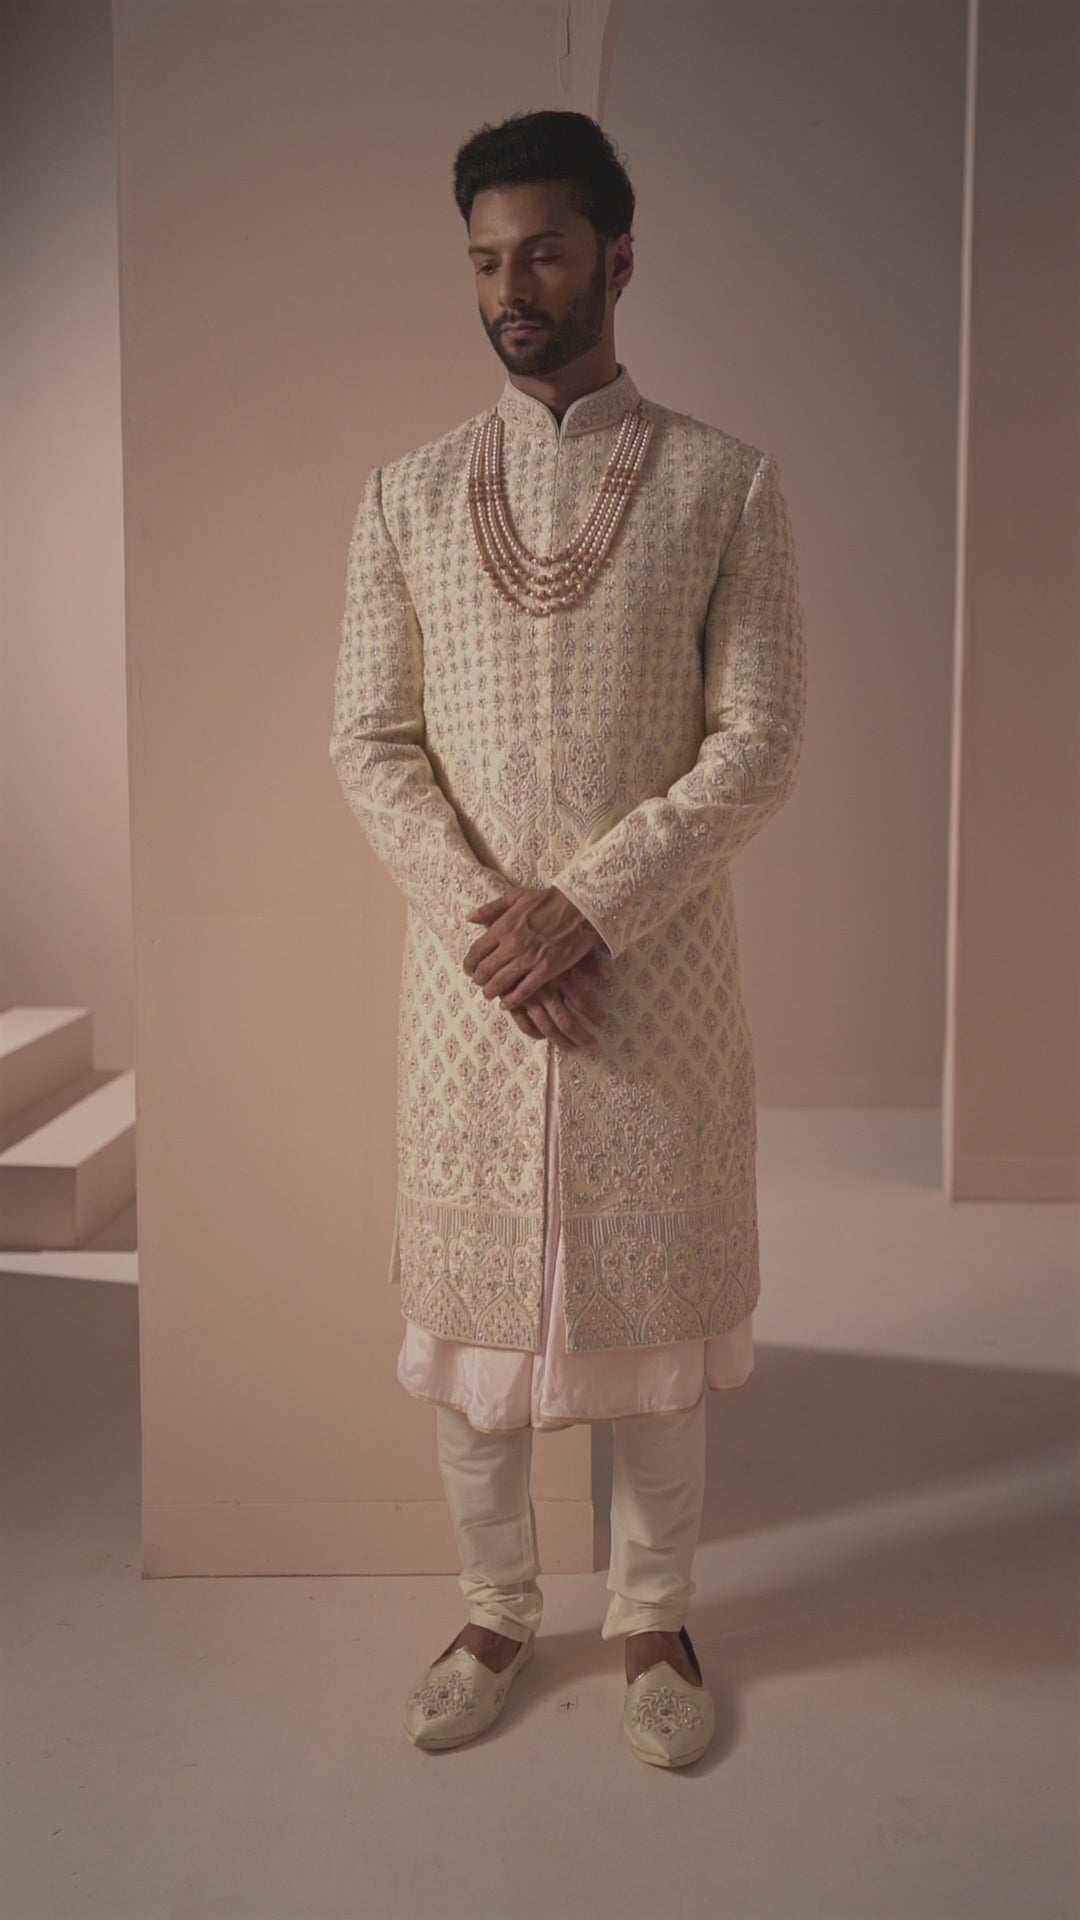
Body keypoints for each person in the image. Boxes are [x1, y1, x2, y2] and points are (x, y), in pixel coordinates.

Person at [329, 109, 806, 1766]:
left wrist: (590, 905)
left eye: (540, 253)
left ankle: (653, 1617)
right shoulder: (403, 497)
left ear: (619, 258)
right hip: (475, 989)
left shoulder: (725, 484)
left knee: (654, 1325)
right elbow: (368, 741)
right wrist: (496, 922)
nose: (509, 290)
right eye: (483, 260)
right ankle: (495, 1607)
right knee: (470, 1335)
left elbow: (760, 739)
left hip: (648, 975)